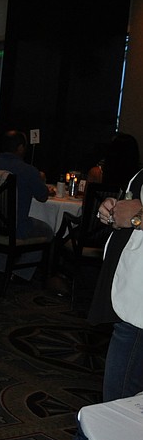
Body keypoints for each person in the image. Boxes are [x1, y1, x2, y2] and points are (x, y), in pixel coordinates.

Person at [93, 168, 143, 401]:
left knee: (119, 404)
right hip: (130, 296)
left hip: (137, 308)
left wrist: (138, 217)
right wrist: (116, 211)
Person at [0, 130, 53, 280]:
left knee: (3, 220)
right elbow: (43, 196)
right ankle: (21, 274)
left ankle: (1, 268)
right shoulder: (28, 170)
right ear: (20, 148)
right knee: (47, 230)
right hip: (14, 228)